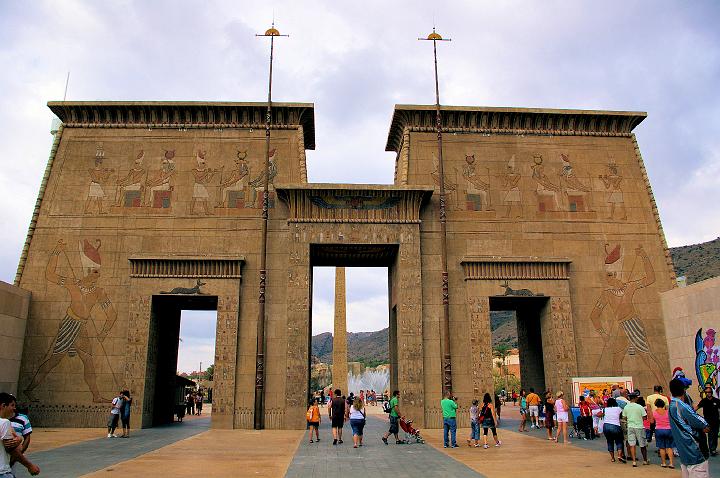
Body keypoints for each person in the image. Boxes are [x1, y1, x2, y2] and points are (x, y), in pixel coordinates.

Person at [669, 378, 710, 477]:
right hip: (694, 449)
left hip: (684, 451)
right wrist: (705, 426)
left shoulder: (672, 405)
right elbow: (702, 423)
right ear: (683, 390)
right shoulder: (681, 406)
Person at [0, 393, 40, 476]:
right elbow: (10, 449)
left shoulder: (9, 422)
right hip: (3, 470)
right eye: (12, 405)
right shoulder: (5, 423)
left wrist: (19, 439)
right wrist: (30, 466)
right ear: (3, 406)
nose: (14, 408)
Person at [622, 391, 649, 467]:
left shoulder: (626, 407)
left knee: (632, 444)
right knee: (642, 444)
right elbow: (644, 417)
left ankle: (634, 461)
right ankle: (645, 460)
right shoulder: (639, 407)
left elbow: (624, 417)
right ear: (635, 398)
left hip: (630, 426)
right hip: (639, 426)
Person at [695, 383, 720, 456]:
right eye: (706, 392)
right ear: (705, 393)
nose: (708, 393)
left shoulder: (716, 400)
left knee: (715, 435)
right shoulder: (704, 401)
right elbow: (696, 408)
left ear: (712, 393)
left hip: (716, 421)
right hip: (708, 421)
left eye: (709, 392)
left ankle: (714, 448)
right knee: (710, 435)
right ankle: (712, 450)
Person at [599, 397, 626, 463]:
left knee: (610, 441)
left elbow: (598, 414)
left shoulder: (605, 409)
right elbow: (622, 416)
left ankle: (612, 458)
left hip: (606, 426)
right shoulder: (618, 408)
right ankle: (619, 455)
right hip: (616, 426)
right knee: (619, 441)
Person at [651, 398, 675, 469]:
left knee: (662, 447)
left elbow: (652, 421)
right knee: (669, 447)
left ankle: (664, 463)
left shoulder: (654, 412)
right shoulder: (668, 412)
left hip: (659, 429)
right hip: (668, 429)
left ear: (656, 405)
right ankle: (671, 463)